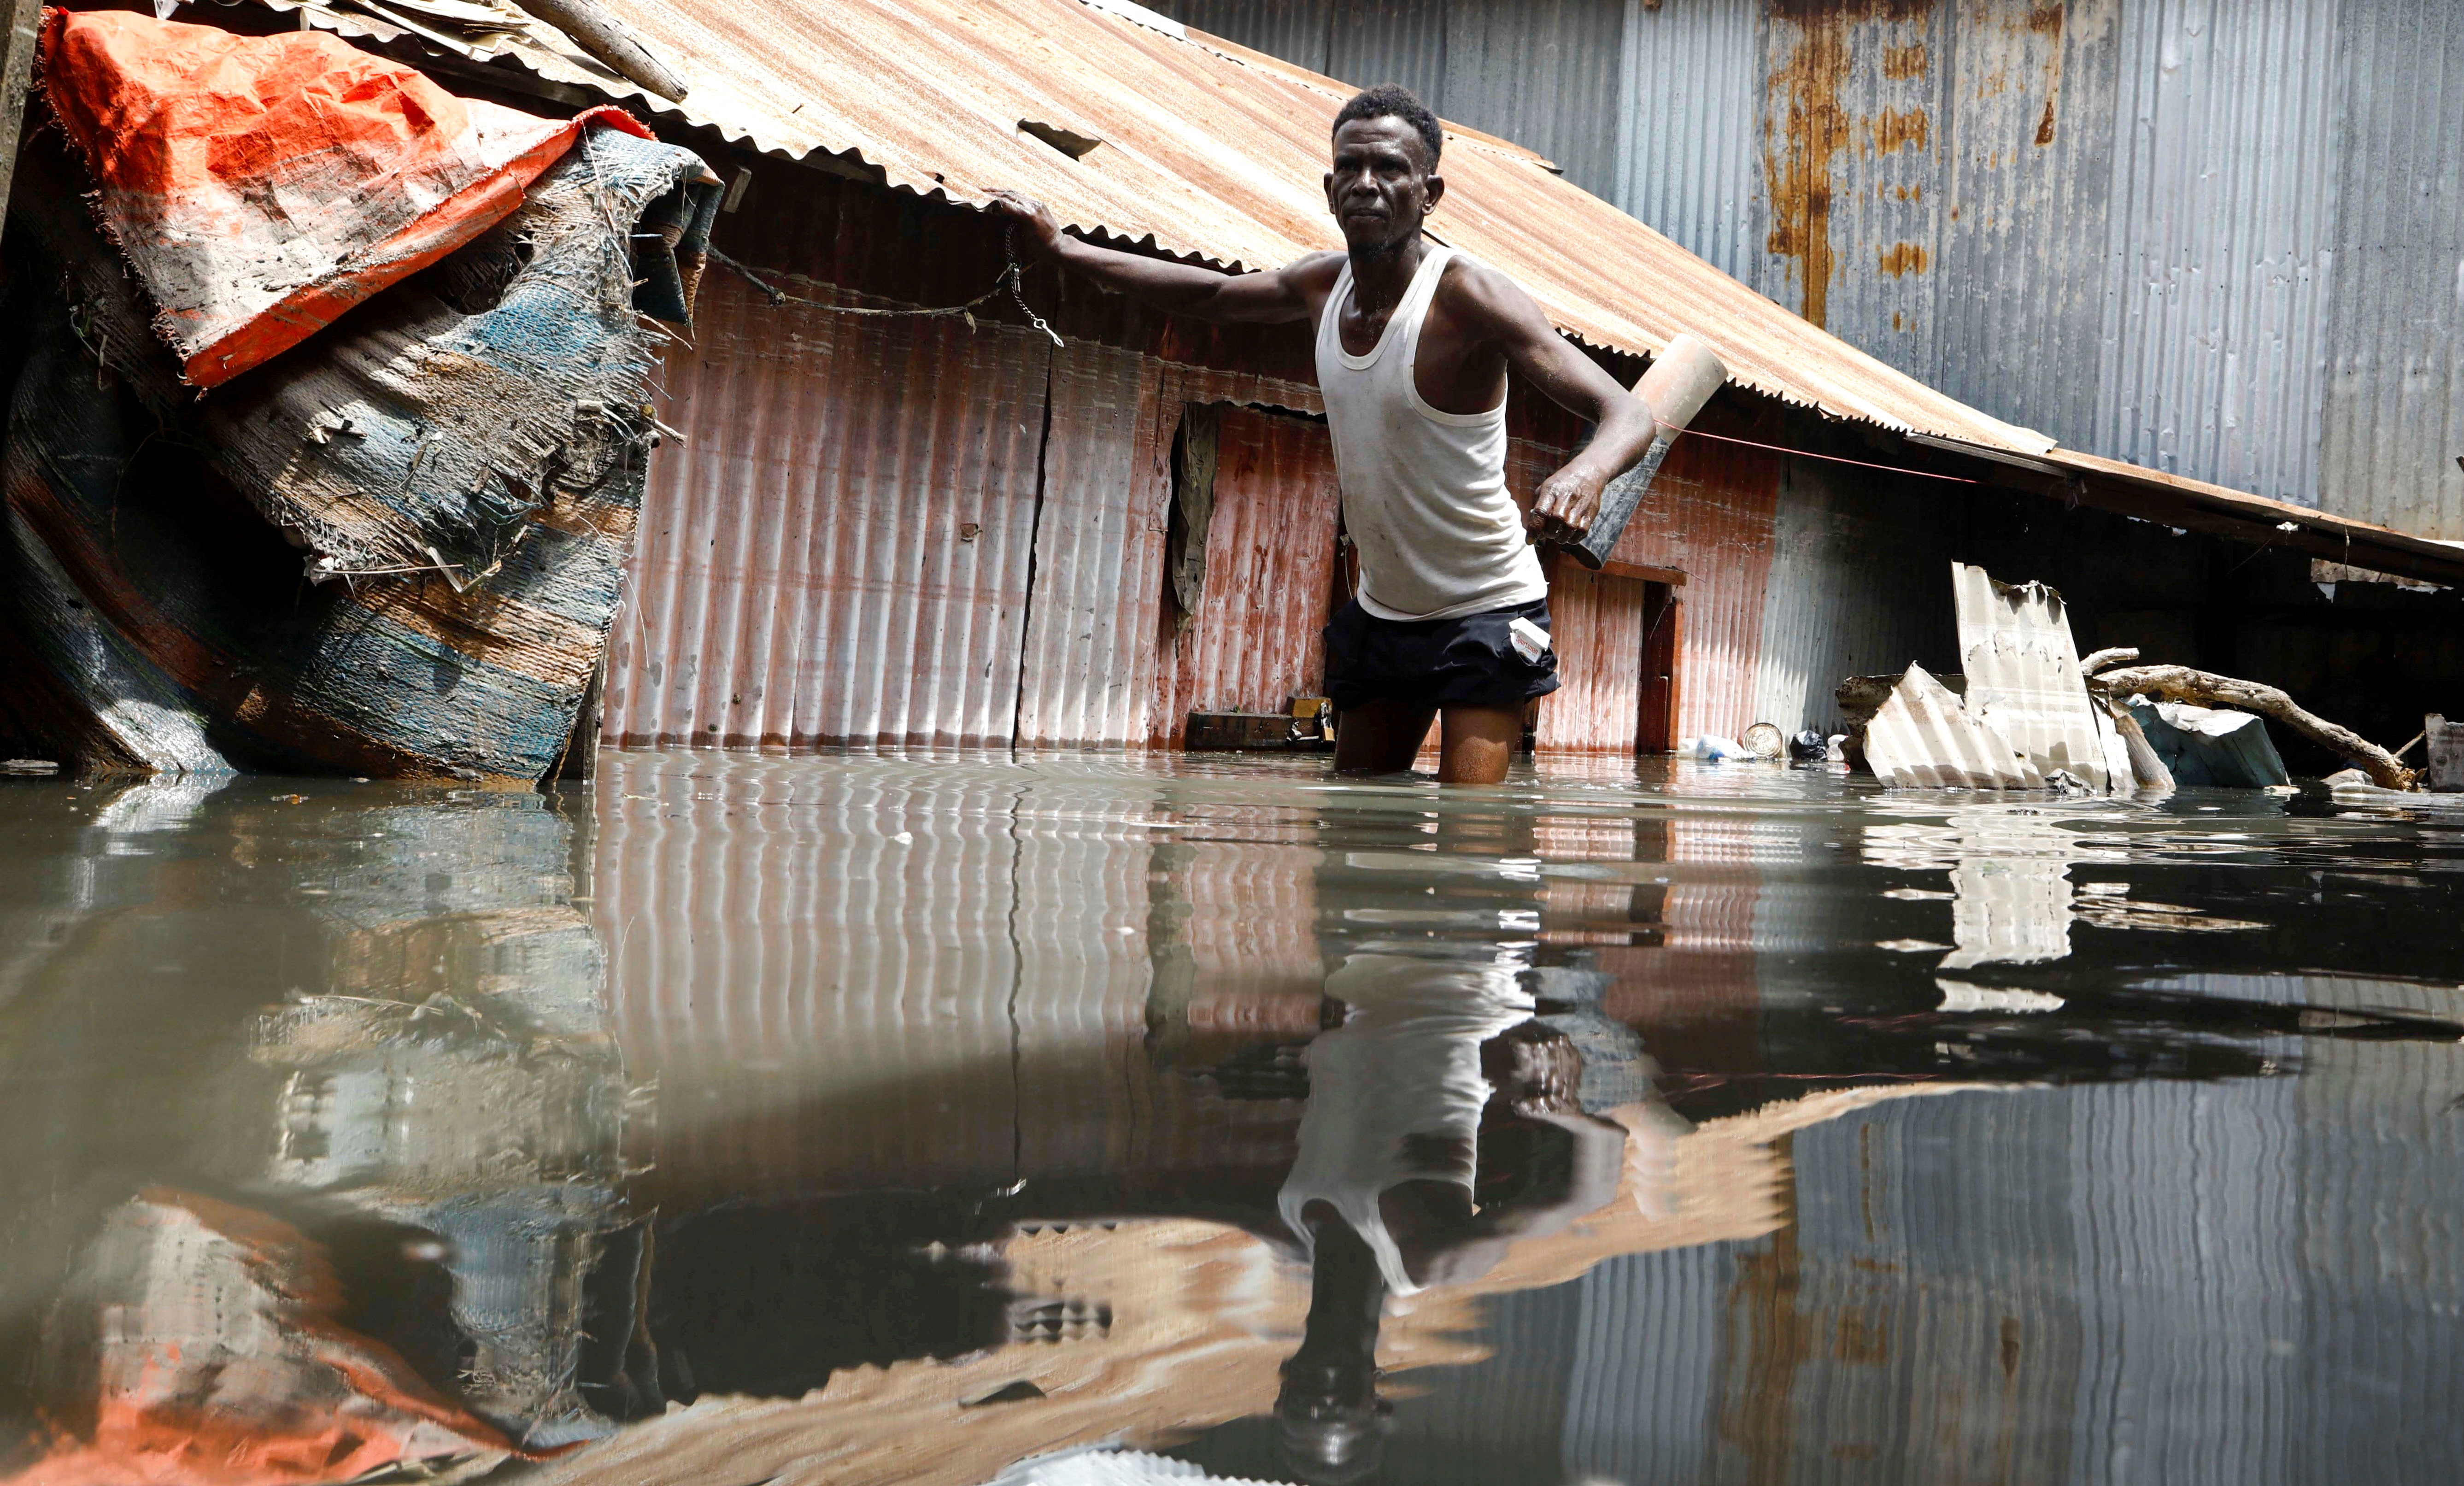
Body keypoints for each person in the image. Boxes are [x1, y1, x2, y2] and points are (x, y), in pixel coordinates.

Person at [986, 84, 1666, 785]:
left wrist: (1587, 473)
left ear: (1430, 192)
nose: (1367, 185)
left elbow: (1630, 414)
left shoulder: (1470, 296)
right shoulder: (1322, 285)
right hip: (1384, 612)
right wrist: (1064, 251)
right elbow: (1209, 295)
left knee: (1475, 848)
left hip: (1487, 607)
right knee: (1356, 818)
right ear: (1329, 184)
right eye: (1351, 168)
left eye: (1392, 170)